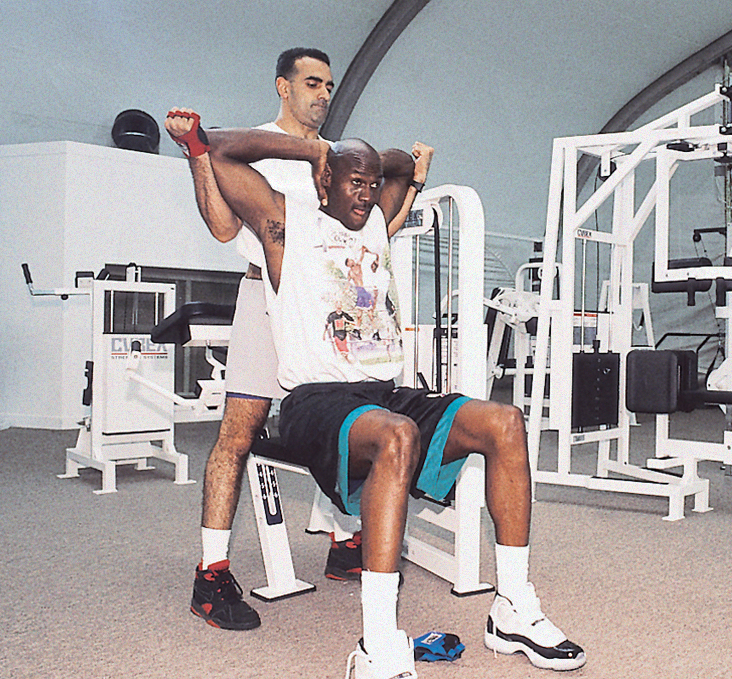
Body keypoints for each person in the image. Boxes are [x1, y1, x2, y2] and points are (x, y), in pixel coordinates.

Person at [191, 118, 585, 677]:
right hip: (316, 400)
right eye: (354, 182)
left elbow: (400, 167)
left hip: (384, 392)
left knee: (505, 422)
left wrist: (370, 163)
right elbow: (222, 149)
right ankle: (378, 640)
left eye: (372, 184)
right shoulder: (284, 225)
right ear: (323, 182)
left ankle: (513, 608)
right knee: (397, 434)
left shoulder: (374, 224)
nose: (367, 193)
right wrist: (317, 151)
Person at [164, 47, 433, 632]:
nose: (323, 94)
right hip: (268, 294)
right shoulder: (260, 144)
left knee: (348, 416)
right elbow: (222, 227)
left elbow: (374, 212)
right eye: (312, 83)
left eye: (330, 86)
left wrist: (400, 173)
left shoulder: (342, 159)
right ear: (282, 86)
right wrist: (196, 154)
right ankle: (211, 573)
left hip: (331, 305)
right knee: (238, 433)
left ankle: (345, 544)